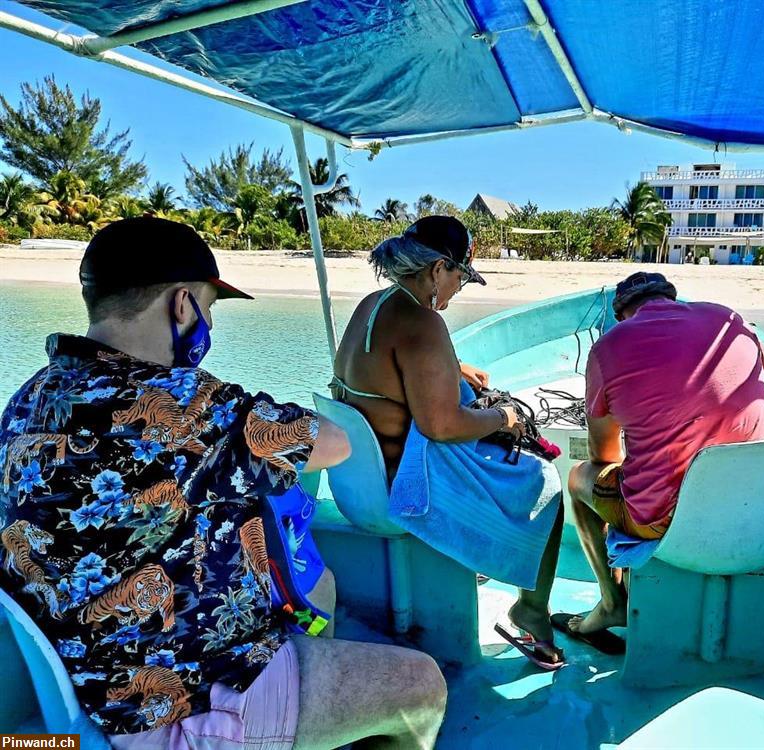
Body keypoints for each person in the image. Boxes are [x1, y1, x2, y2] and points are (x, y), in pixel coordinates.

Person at [0, 217, 446, 749]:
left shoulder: (31, 396)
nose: (207, 323)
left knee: (319, 590)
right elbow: (334, 443)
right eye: (208, 308)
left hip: (90, 677)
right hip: (178, 704)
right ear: (182, 305)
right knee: (421, 685)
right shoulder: (187, 407)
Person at [333, 216, 565, 669]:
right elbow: (441, 426)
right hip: (400, 488)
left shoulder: (374, 304)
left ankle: (483, 561)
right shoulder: (422, 322)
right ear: (438, 269)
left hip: (355, 481)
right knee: (544, 483)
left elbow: (390, 365)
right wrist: (506, 417)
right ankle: (532, 610)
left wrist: (455, 370)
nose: (459, 287)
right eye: (459, 275)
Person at [553, 272, 764, 650]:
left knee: (579, 479)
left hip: (667, 521)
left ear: (623, 313)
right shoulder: (731, 321)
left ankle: (612, 603)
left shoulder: (608, 348)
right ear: (671, 298)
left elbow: (603, 456)